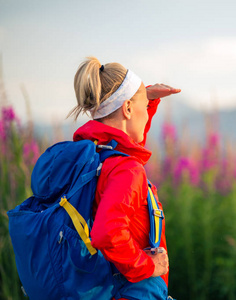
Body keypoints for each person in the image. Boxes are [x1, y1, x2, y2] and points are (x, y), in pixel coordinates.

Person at [69, 56, 180, 299]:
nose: (145, 114)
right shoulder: (127, 169)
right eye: (139, 107)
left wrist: (145, 100)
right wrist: (149, 266)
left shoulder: (97, 154)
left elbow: (128, 143)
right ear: (128, 108)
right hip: (131, 291)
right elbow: (107, 233)